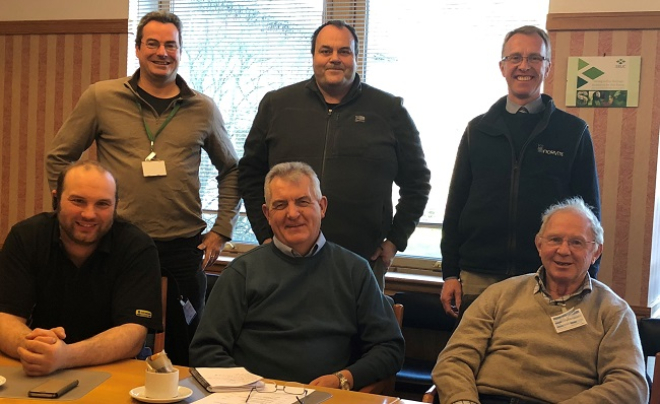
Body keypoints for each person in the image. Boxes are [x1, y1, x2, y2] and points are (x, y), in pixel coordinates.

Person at [45, 11, 240, 365]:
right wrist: (72, 212)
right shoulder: (100, 98)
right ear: (137, 49)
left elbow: (231, 169)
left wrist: (222, 229)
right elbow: (60, 157)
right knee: (106, 343)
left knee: (187, 349)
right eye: (153, 43)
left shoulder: (203, 108)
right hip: (115, 244)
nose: (162, 52)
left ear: (181, 51)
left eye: (171, 44)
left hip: (183, 248)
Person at [238, 20, 431, 290]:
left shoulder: (389, 110)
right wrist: (264, 235)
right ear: (314, 56)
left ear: (355, 57)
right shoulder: (277, 105)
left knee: (361, 333)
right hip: (285, 260)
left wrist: (395, 240)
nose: (334, 59)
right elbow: (249, 173)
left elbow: (417, 183)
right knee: (282, 332)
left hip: (361, 263)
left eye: (344, 52)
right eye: (325, 51)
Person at [190, 162, 404, 391]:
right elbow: (205, 351)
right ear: (267, 214)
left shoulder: (355, 271)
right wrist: (256, 389)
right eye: (281, 205)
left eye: (303, 202)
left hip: (327, 397)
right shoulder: (241, 273)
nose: (292, 214)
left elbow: (389, 347)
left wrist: (345, 378)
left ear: (322, 207)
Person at [440, 25, 600, 318]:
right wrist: (450, 272)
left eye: (534, 58)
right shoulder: (478, 130)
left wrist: (589, 276)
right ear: (502, 67)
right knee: (474, 360)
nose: (524, 66)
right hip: (478, 276)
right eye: (515, 58)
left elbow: (590, 215)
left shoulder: (572, 132)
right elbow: (456, 206)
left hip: (547, 276)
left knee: (539, 360)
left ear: (548, 67)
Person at [433, 197, 648, 404]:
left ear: (595, 252)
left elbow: (629, 386)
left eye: (576, 242)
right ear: (539, 244)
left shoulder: (613, 312)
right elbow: (454, 360)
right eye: (555, 240)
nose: (563, 251)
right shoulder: (498, 295)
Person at [0, 161, 162, 376]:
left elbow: (133, 334)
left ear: (116, 205)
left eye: (102, 204)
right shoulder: (26, 237)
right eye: (78, 201)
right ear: (56, 199)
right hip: (34, 368)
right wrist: (35, 348)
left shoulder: (137, 247)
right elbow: (5, 318)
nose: (89, 214)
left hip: (111, 370)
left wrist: (65, 356)